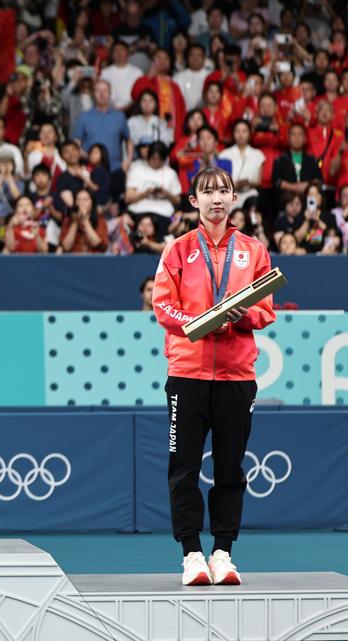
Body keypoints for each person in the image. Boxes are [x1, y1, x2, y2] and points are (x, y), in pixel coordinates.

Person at [152, 166, 276, 587]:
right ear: (194, 201)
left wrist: (242, 316)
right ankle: (191, 554)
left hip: (236, 376)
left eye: (223, 191)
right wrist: (200, 321)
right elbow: (163, 307)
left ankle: (223, 552)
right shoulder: (177, 250)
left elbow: (266, 309)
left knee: (230, 468)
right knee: (183, 467)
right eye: (207, 192)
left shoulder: (254, 250)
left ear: (234, 198)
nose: (216, 198)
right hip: (187, 373)